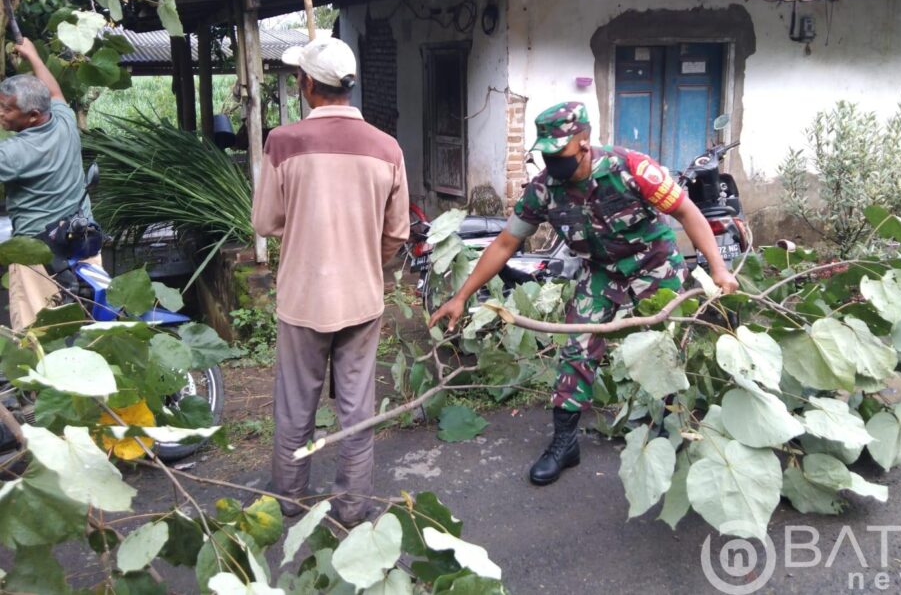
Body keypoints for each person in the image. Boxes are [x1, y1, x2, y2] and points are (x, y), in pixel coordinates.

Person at [430, 101, 739, 485]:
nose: (551, 161)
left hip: (653, 266)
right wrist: (461, 296)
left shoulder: (632, 169)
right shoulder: (544, 190)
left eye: (558, 152)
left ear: (584, 141)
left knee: (667, 349)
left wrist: (719, 268)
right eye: (546, 153)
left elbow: (687, 213)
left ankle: (673, 428)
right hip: (600, 272)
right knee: (576, 346)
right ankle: (565, 442)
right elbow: (506, 243)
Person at [252, 36, 410, 525]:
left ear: (305, 84)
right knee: (356, 413)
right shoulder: (388, 147)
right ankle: (352, 507)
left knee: (294, 409)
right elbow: (397, 233)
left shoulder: (283, 141)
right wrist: (367, 260)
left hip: (302, 298)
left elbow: (265, 223)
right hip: (362, 299)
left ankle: (289, 500)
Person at [1, 38, 96, 330]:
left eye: (6, 109)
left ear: (32, 116)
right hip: (84, 245)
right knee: (85, 332)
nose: (0, 114)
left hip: (38, 260)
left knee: (37, 340)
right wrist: (33, 56)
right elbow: (53, 91)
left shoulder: (15, 153)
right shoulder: (65, 121)